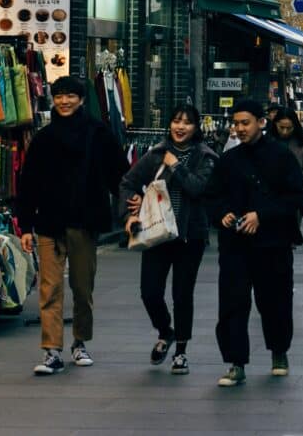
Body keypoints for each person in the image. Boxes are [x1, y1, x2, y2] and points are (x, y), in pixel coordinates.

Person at [16, 76, 126, 376]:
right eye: (59, 96)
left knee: (81, 286)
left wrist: (131, 206)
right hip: (48, 222)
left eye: (70, 96)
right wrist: (25, 224)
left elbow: (119, 172)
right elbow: (28, 184)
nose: (64, 101)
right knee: (49, 288)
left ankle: (79, 342)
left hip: (84, 220)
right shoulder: (44, 137)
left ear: (81, 99)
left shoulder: (98, 133)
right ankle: (51, 350)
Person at [209, 99, 303, 387]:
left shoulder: (281, 156)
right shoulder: (228, 159)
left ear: (262, 122)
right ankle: (236, 363)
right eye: (235, 123)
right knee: (233, 303)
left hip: (272, 243)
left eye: (245, 123)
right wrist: (222, 214)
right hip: (235, 244)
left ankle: (279, 352)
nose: (239, 129)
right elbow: (212, 195)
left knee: (274, 300)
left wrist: (261, 215)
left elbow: (294, 196)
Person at [119, 104, 218, 376]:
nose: (180, 127)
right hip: (156, 233)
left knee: (182, 294)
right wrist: (129, 213)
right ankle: (166, 331)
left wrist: (175, 167)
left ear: (196, 128)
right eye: (176, 121)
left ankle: (181, 352)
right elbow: (128, 182)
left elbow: (198, 189)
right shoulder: (155, 155)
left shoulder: (205, 156)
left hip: (190, 236)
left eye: (187, 123)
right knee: (149, 291)